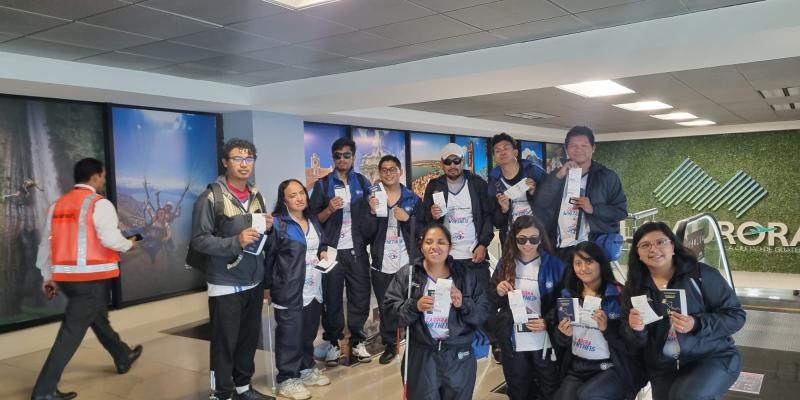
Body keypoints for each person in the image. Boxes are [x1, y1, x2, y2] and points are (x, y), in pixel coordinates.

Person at [31, 158, 143, 400]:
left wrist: (47, 277)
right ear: (95, 177)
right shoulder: (99, 204)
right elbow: (111, 240)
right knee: (70, 333)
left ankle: (123, 356)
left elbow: (45, 245)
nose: (103, 180)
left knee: (97, 316)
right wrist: (129, 244)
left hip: (66, 279)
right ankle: (44, 391)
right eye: (102, 176)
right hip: (89, 280)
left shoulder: (57, 205)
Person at [622, 222, 745, 400]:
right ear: (638, 254)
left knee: (685, 396)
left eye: (660, 242)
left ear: (673, 246)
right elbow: (634, 342)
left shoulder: (701, 275)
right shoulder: (635, 287)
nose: (654, 249)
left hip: (711, 356)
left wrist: (696, 324)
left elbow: (736, 316)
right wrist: (636, 330)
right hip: (663, 366)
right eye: (645, 245)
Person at [190, 138, 272, 400]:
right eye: (237, 158)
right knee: (225, 342)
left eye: (249, 159)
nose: (244, 164)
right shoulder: (210, 197)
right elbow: (199, 240)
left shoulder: (257, 195)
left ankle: (243, 387)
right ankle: (222, 392)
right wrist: (235, 241)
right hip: (225, 282)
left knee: (248, 339)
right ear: (225, 162)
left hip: (253, 278)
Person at [384, 223, 490, 400]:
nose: (435, 247)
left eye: (441, 242)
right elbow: (389, 314)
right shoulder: (408, 275)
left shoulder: (466, 275)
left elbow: (483, 313)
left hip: (458, 357)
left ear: (450, 246)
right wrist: (414, 306)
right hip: (421, 356)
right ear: (421, 246)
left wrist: (463, 304)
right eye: (429, 242)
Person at [422, 142, 497, 360]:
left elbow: (488, 216)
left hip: (474, 254)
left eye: (457, 161)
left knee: (481, 299)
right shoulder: (434, 186)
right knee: (451, 301)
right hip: (448, 258)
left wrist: (483, 244)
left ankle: (488, 341)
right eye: (448, 162)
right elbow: (427, 222)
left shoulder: (477, 184)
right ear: (442, 164)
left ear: (463, 162)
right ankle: (456, 343)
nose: (453, 166)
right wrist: (432, 214)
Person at [264, 179, 331, 400]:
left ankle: (305, 368)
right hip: (289, 288)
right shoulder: (278, 223)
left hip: (314, 286)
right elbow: (269, 258)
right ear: (284, 200)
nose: (299, 198)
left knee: (308, 332)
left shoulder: (312, 219)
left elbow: (321, 243)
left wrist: (323, 252)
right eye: (293, 195)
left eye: (301, 193)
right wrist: (266, 287)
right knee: (289, 335)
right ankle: (287, 378)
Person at [552, 241, 645, 400]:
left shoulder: (618, 295)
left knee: (588, 396)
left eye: (589, 262)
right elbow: (559, 341)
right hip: (578, 366)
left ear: (600, 263)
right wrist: (563, 335)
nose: (583, 268)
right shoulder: (567, 296)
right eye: (578, 263)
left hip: (611, 367)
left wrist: (607, 328)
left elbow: (632, 345)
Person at [309, 137, 373, 366]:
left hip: (356, 250)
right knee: (332, 297)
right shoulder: (323, 185)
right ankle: (334, 342)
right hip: (331, 251)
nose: (342, 159)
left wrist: (373, 209)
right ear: (333, 157)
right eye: (338, 155)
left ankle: (357, 340)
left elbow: (371, 214)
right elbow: (313, 220)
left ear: (354, 157)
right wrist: (329, 208)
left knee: (360, 295)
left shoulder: (363, 183)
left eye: (347, 155)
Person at [488, 215, 564, 400]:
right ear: (514, 238)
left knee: (548, 389)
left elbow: (564, 301)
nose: (528, 244)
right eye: (522, 239)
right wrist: (497, 291)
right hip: (514, 341)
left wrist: (548, 321)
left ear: (541, 238)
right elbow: (490, 301)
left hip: (543, 340)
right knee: (518, 389)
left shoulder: (554, 265)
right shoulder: (506, 264)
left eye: (533, 239)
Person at [362, 155, 424, 364]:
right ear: (380, 173)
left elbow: (423, 229)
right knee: (387, 304)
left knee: (411, 302)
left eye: (393, 169)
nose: (389, 173)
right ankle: (391, 343)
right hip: (382, 260)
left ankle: (415, 340)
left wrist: (408, 220)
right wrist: (371, 212)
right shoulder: (372, 197)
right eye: (385, 170)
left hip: (407, 260)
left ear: (400, 172)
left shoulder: (412, 199)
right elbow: (366, 233)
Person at [539, 126, 627, 262]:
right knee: (564, 283)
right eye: (573, 145)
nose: (578, 149)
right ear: (567, 149)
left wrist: (593, 209)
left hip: (594, 248)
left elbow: (621, 211)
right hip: (561, 248)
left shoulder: (607, 177)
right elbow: (541, 202)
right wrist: (559, 175)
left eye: (584, 145)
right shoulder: (557, 175)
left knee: (592, 283)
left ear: (593, 148)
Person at [487, 133, 556, 246]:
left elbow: (552, 201)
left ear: (515, 152)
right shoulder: (494, 180)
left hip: (538, 237)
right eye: (497, 151)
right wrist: (503, 210)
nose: (502, 152)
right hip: (512, 240)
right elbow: (496, 221)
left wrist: (535, 193)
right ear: (494, 156)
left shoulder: (534, 171)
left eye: (506, 148)